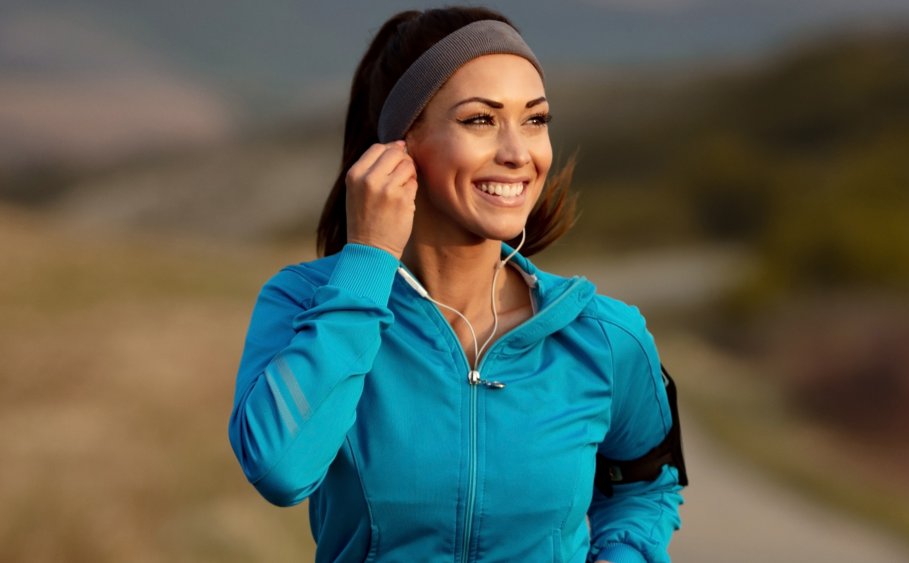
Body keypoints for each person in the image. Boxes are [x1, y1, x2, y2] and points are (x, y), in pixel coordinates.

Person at [228, 6, 686, 563]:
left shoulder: (608, 338)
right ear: (398, 145)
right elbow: (281, 469)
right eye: (480, 120)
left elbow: (646, 486)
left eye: (535, 119)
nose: (519, 153)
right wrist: (367, 262)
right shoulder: (306, 303)